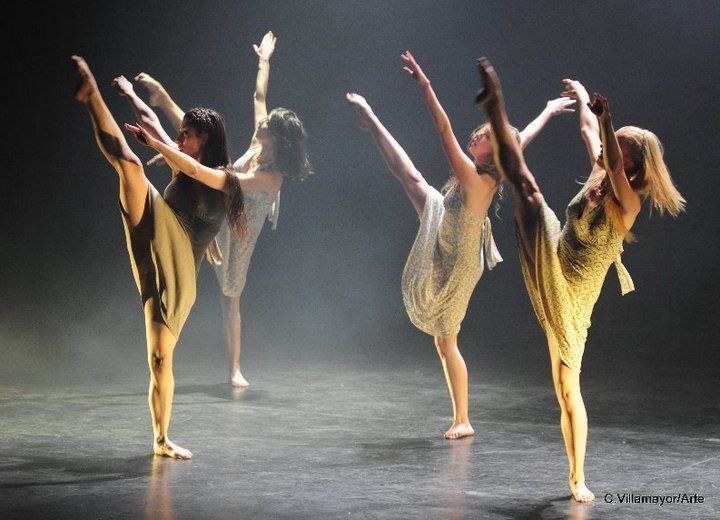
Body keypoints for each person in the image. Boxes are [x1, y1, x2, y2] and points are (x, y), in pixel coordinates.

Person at [475, 58, 685, 501]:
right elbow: (590, 131)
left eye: (620, 150)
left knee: (567, 392)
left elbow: (605, 145)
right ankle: (495, 110)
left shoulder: (629, 201)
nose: (609, 153)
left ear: (632, 162)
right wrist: (586, 97)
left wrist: (608, 122)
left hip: (573, 294)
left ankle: (577, 476)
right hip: (556, 249)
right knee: (528, 194)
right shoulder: (600, 168)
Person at [347, 51, 575, 439]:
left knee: (445, 342)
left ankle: (463, 419)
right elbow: (521, 141)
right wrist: (548, 112)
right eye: (483, 131)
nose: (479, 134)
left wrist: (426, 85)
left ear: (493, 153)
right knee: (413, 178)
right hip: (444, 224)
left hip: (459, 260)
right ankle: (372, 121)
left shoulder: (476, 179)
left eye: (487, 136)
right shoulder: (490, 169)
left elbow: (444, 130)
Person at [72, 55, 244, 459]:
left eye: (187, 134)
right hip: (158, 223)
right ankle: (90, 95)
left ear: (206, 138)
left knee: (159, 358)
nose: (180, 138)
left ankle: (161, 439)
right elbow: (152, 121)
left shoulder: (226, 177)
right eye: (180, 133)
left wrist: (162, 146)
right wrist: (131, 95)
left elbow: (193, 169)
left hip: (181, 265)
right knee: (131, 166)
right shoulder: (182, 163)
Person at [135, 31, 313, 387]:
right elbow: (259, 94)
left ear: (276, 139)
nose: (259, 122)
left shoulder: (271, 178)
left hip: (239, 232)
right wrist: (264, 58)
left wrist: (175, 156)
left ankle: (234, 368)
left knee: (230, 299)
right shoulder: (256, 144)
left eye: (266, 125)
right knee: (203, 143)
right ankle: (164, 100)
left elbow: (221, 181)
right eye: (263, 122)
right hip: (216, 213)